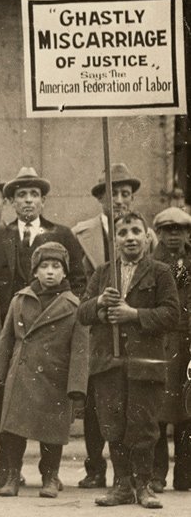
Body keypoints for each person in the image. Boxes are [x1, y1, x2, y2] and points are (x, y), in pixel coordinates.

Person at [0, 166, 85, 487]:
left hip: (54, 333)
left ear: (43, 200)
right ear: (11, 201)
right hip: (16, 331)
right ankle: (6, 471)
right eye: (21, 195)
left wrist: (65, 311)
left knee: (47, 412)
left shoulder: (62, 234)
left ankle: (48, 475)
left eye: (35, 195)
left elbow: (80, 281)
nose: (28, 201)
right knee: (10, 407)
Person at [78, 212, 179, 509]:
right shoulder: (102, 273)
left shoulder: (160, 272)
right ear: (116, 240)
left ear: (148, 237)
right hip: (109, 363)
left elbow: (172, 315)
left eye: (136, 231)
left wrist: (133, 315)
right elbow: (82, 314)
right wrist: (99, 304)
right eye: (123, 233)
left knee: (143, 425)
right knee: (113, 424)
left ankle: (144, 486)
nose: (130, 237)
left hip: (144, 364)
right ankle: (122, 486)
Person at [71, 163, 156, 488]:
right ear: (100, 198)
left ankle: (141, 478)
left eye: (125, 194)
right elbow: (81, 286)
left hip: (134, 335)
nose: (119, 200)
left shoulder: (143, 234)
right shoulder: (83, 234)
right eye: (112, 194)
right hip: (100, 334)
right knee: (99, 404)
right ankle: (97, 469)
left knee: (137, 411)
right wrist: (100, 308)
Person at [150, 207, 191, 492]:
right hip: (161, 343)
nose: (173, 236)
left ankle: (185, 474)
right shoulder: (151, 264)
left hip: (188, 345)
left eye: (179, 230)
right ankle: (157, 474)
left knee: (187, 412)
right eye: (167, 230)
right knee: (158, 412)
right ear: (159, 234)